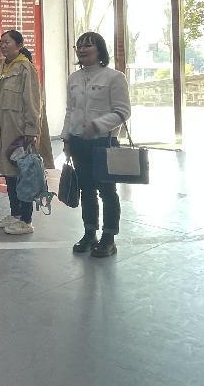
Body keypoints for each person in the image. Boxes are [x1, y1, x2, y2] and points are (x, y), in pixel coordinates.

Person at [62, 32, 131, 258]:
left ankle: (109, 238)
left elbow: (123, 111)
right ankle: (89, 233)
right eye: (79, 46)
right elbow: (70, 110)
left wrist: (97, 125)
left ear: (99, 50)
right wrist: (66, 138)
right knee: (86, 190)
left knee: (107, 191)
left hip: (103, 142)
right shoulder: (73, 78)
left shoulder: (114, 77)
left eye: (88, 46)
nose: (82, 50)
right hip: (79, 142)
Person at [0, 30, 53, 235]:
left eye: (7, 42)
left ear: (19, 45)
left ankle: (26, 219)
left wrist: (32, 129)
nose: (3, 46)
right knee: (8, 173)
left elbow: (33, 101)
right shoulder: (1, 68)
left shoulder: (25, 68)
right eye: (1, 43)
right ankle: (15, 214)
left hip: (19, 131)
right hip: (2, 130)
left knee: (24, 174)